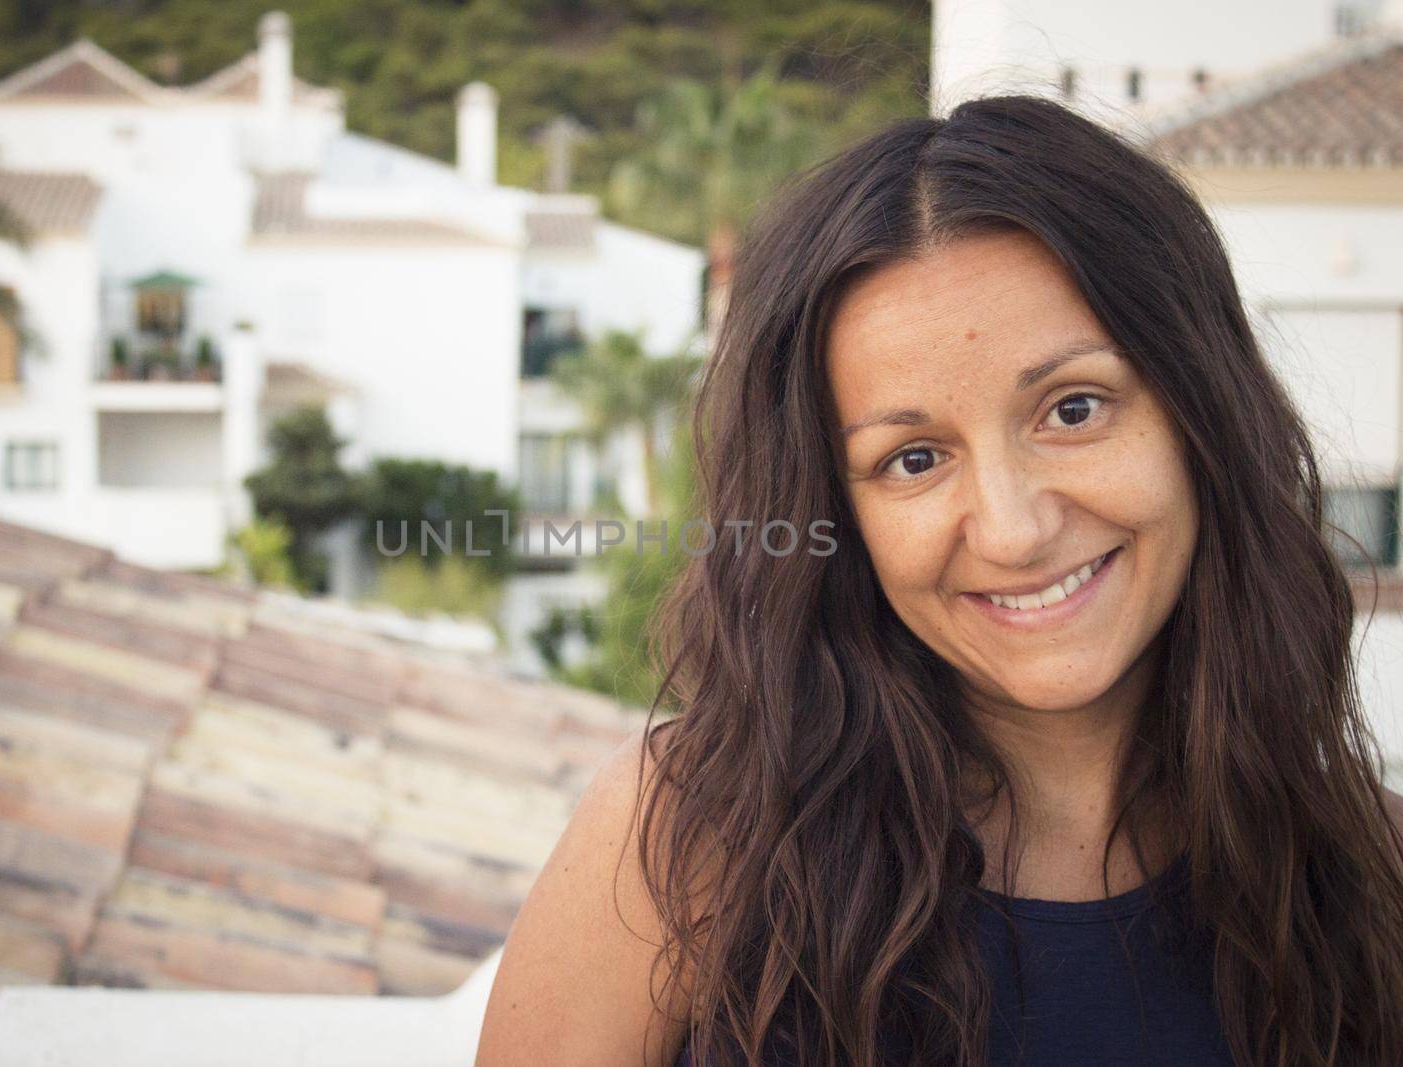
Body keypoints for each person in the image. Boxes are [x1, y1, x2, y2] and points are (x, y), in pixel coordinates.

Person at [474, 95, 1403, 1066]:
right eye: (912, 458)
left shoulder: (1360, 871)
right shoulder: (685, 842)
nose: (1011, 527)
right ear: (840, 513)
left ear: (1198, 413)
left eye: (1073, 408)